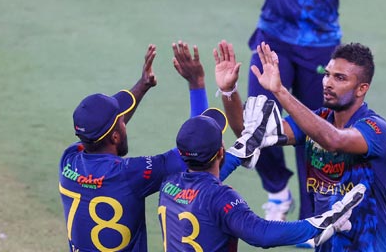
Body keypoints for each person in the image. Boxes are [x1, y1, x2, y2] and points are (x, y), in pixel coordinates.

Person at [195, 0, 386, 225]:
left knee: (315, 134)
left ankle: (313, 215)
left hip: (321, 50)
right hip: (273, 42)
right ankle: (276, 187)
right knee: (256, 119)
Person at [208, 40, 386, 252]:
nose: (328, 83)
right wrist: (228, 91)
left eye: (340, 78)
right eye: (327, 74)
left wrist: (280, 91)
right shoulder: (315, 121)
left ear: (362, 89)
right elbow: (248, 132)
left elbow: (334, 140)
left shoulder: (375, 130)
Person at [157, 105, 367, 251]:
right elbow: (262, 234)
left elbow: (204, 182)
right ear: (220, 151)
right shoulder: (221, 198)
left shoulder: (169, 185)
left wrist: (243, 148)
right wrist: (322, 222)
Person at [58, 44, 187, 252]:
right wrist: (196, 84)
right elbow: (190, 153)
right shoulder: (130, 174)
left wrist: (143, 85)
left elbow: (102, 129)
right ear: (116, 136)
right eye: (122, 122)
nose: (125, 122)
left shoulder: (68, 160)